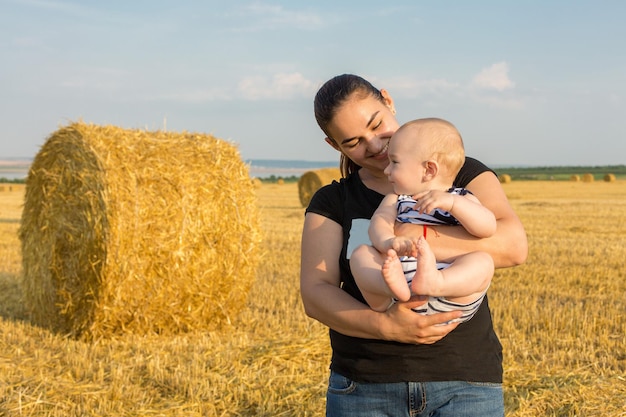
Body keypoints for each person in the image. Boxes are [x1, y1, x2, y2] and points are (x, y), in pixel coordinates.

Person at [300, 74, 528, 417]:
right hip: (364, 385)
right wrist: (386, 326)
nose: (375, 145)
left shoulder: (460, 174)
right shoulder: (332, 200)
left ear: (389, 102)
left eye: (377, 124)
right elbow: (316, 293)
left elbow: (512, 245)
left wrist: (413, 238)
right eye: (353, 142)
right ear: (335, 146)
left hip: (464, 382)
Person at [350, 117, 496, 321]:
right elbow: (379, 223)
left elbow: (487, 227)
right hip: (396, 295)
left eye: (395, 162)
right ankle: (387, 285)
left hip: (451, 296)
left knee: (483, 262)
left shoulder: (461, 198)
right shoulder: (397, 199)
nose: (386, 170)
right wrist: (389, 242)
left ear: (429, 170)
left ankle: (436, 281)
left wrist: (453, 204)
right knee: (361, 254)